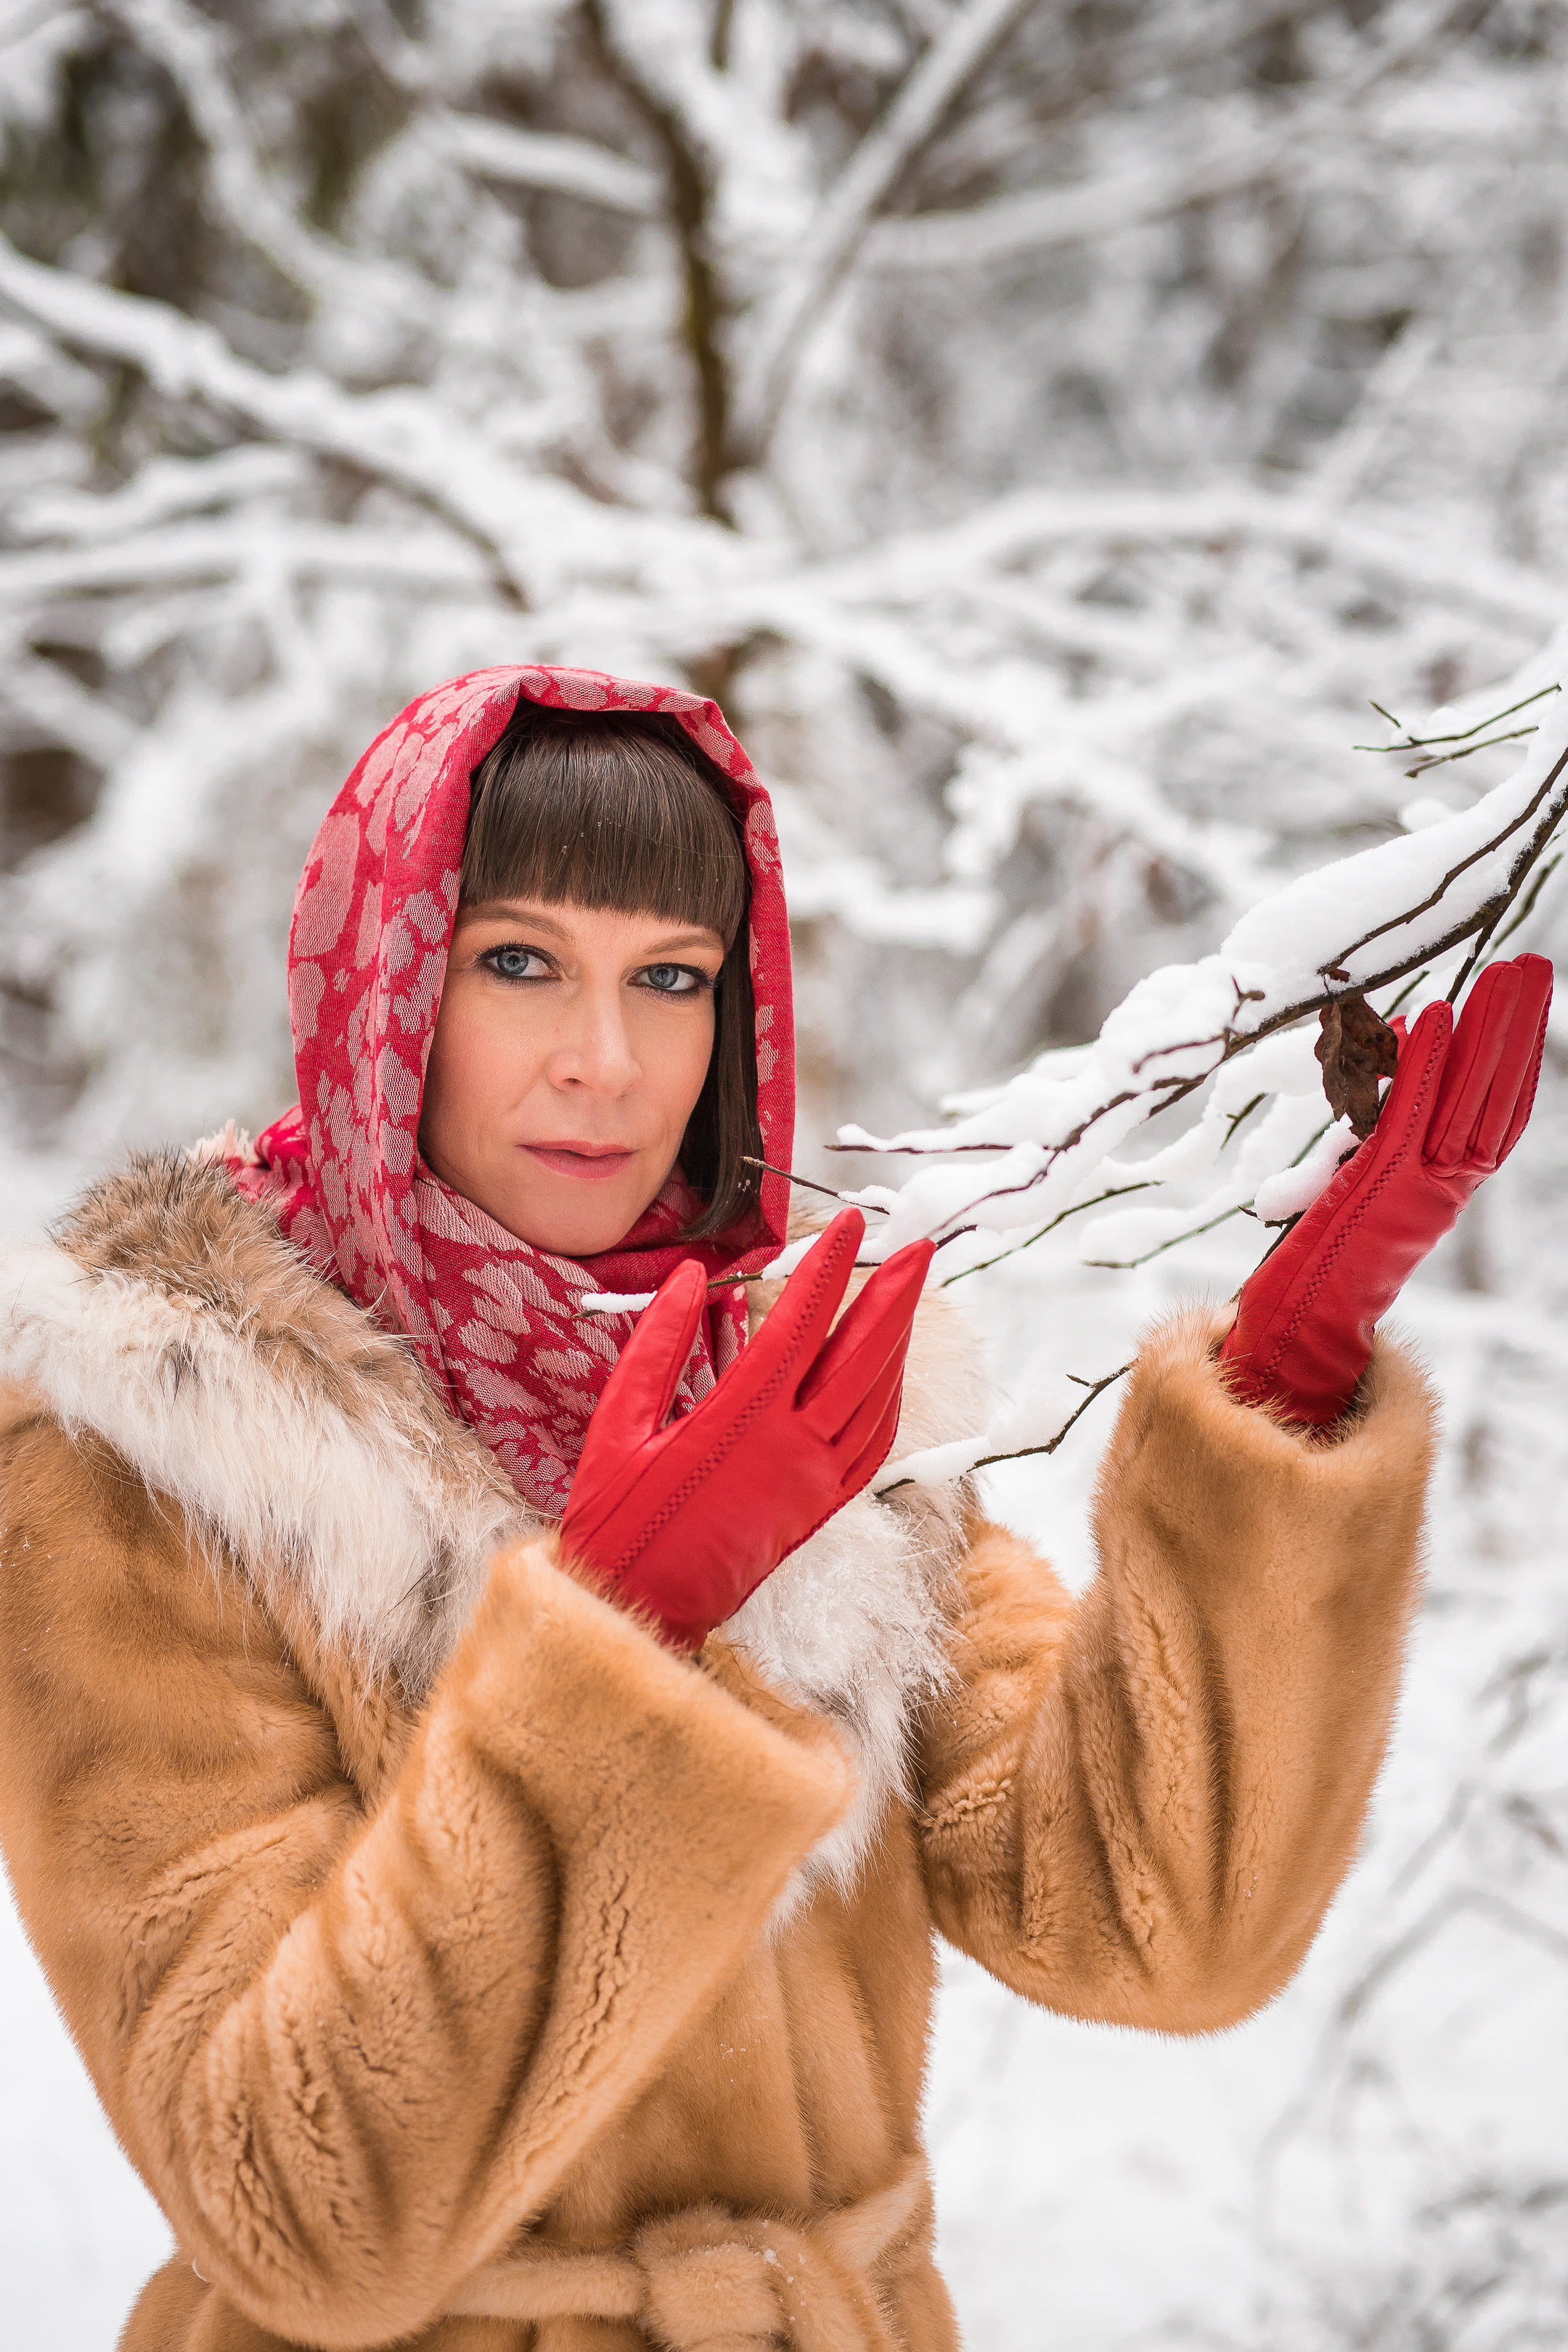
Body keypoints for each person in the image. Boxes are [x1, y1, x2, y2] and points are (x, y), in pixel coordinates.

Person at [0, 664, 1550, 2352]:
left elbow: (1149, 1922)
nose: (605, 1062)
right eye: (519, 962)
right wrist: (619, 1651)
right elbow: (299, 2209)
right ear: (390, 979)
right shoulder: (151, 1447)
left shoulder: (805, 1388)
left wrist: (1288, 1386)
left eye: (671, 978)